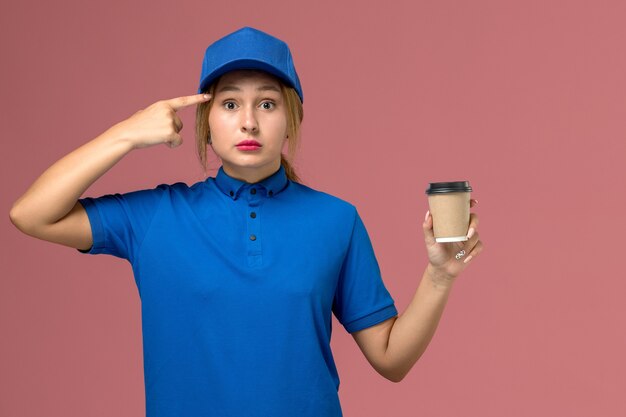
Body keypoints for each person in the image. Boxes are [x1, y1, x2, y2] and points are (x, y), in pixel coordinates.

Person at [10, 26, 483, 417]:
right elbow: (31, 214)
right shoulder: (155, 217)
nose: (249, 123)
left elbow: (391, 359)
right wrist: (126, 133)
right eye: (231, 104)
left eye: (268, 104)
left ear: (291, 118)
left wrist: (440, 276)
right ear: (206, 122)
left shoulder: (336, 220)